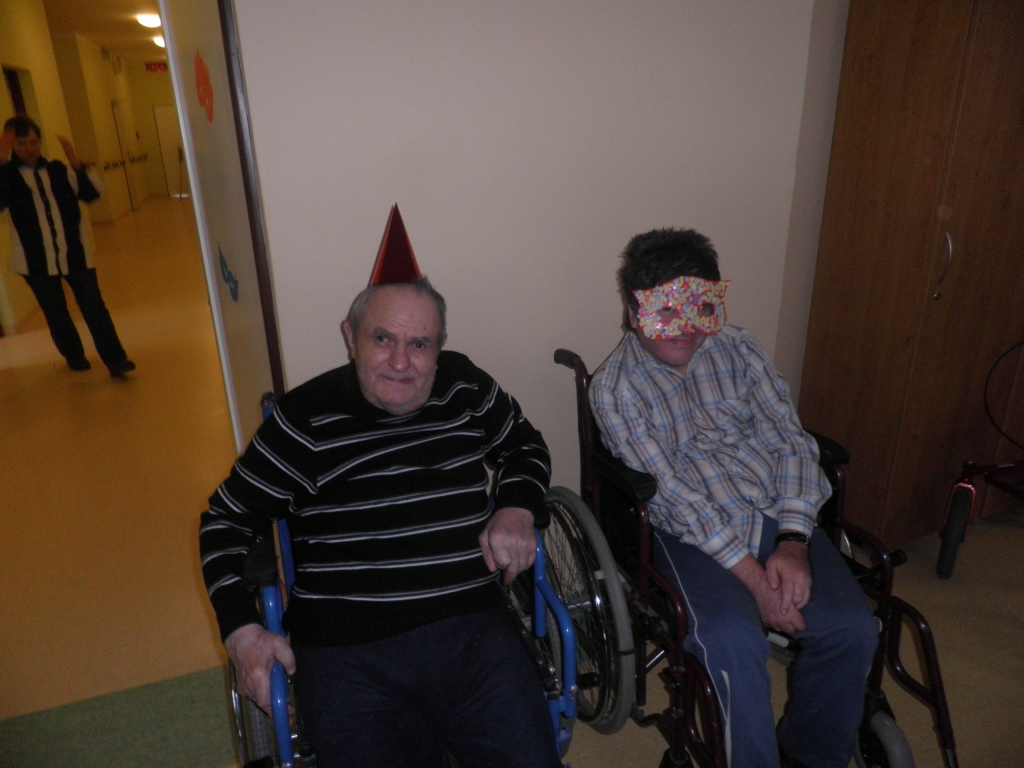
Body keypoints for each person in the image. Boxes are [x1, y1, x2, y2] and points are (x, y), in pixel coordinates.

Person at [199, 271, 560, 765]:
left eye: (420, 344)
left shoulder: (464, 385)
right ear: (351, 337)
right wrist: (241, 632)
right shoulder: (304, 418)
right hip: (348, 650)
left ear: (439, 347)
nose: (400, 362)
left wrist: (517, 506)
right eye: (382, 339)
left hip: (471, 629)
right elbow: (226, 522)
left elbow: (525, 447)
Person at [588, 228, 877, 768]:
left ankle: (812, 753)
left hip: (773, 509)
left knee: (853, 628)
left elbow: (790, 441)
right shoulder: (614, 389)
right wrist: (756, 581)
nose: (685, 329)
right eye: (666, 312)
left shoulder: (740, 349)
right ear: (633, 312)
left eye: (700, 309)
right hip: (692, 534)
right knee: (731, 641)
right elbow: (675, 497)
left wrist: (793, 541)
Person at [0, 116, 134, 377]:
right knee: (56, 313)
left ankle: (116, 361)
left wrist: (76, 163)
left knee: (94, 307)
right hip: (35, 261)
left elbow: (93, 194)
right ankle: (74, 356)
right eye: (21, 144)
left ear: (41, 142)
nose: (29, 149)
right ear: (11, 146)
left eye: (33, 142)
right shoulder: (8, 177)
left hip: (76, 254)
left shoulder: (59, 170)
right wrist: (1, 160)